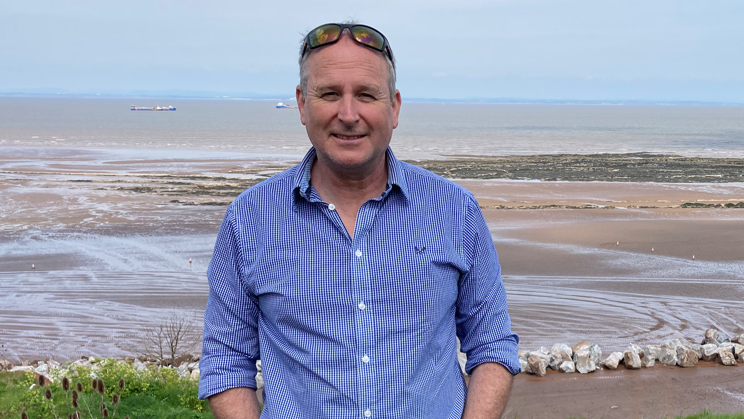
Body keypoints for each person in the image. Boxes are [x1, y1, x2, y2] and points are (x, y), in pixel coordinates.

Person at [198, 22, 520, 419]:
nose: (348, 114)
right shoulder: (248, 219)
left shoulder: (455, 210)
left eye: (366, 95)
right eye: (329, 94)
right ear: (302, 104)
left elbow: (492, 346)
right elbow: (226, 362)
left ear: (394, 106)